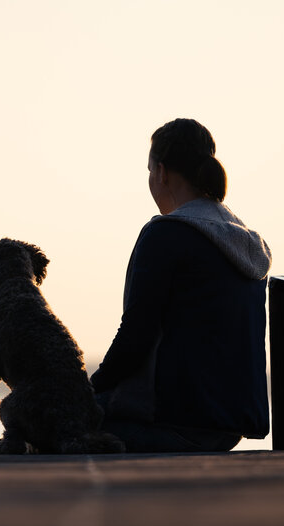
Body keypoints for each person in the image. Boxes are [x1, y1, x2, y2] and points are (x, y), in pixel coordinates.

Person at [90, 118, 272, 452]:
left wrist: (88, 391)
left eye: (148, 171)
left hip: (172, 422)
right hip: (227, 428)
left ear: (161, 172)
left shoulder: (166, 235)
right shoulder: (245, 242)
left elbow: (136, 336)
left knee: (49, 424)